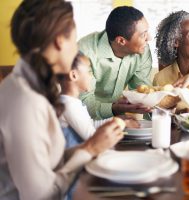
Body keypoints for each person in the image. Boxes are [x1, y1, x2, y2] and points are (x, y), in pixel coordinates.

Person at [0, 1, 124, 199]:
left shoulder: (34, 86)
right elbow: (41, 195)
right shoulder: (25, 102)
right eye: (74, 42)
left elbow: (50, 162)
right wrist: (91, 148)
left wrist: (91, 144)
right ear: (60, 41)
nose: (76, 50)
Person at [78, 6, 153, 120]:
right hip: (84, 121)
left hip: (119, 121)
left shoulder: (142, 50)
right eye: (143, 35)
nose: (149, 38)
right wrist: (114, 109)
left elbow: (144, 93)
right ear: (121, 41)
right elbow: (83, 104)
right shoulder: (86, 52)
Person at [57, 52, 139, 148]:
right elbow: (92, 137)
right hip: (76, 160)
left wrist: (117, 119)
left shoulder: (72, 102)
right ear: (74, 75)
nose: (91, 76)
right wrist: (122, 124)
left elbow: (91, 124)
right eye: (89, 72)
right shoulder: (68, 105)